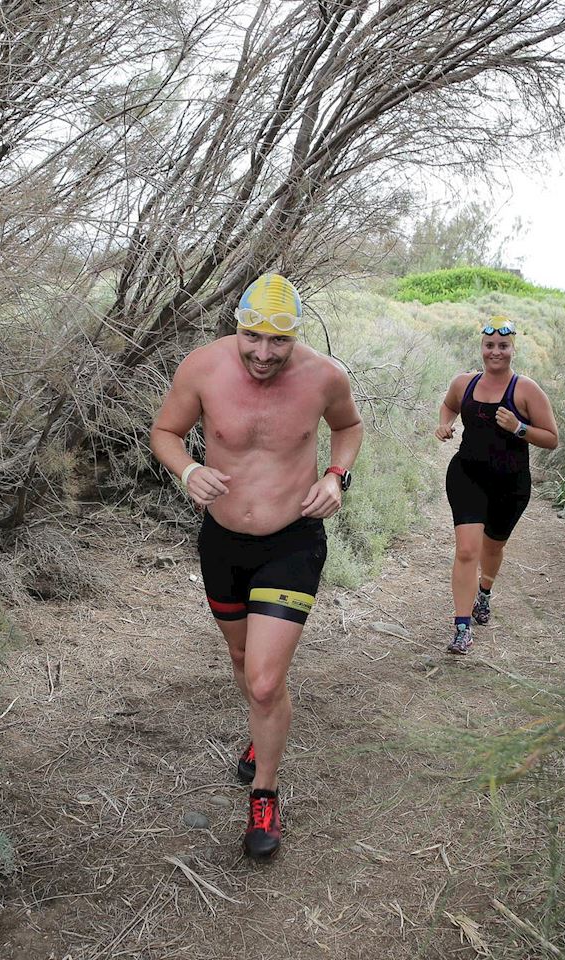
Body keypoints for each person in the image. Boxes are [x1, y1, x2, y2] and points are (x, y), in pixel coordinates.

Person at [149, 272, 363, 859]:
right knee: (244, 660)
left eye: (279, 342)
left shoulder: (324, 377)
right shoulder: (202, 368)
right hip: (223, 543)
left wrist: (335, 476)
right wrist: (188, 470)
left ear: (296, 338)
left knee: (266, 680)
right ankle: (261, 730)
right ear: (236, 326)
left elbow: (348, 427)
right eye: (253, 338)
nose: (263, 354)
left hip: (293, 541)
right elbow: (165, 432)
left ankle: (264, 792)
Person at [434, 316, 558, 654]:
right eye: (490, 346)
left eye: (503, 346)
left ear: (512, 349)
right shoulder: (464, 384)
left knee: (492, 548)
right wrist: (445, 424)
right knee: (467, 550)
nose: (496, 352)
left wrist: (519, 428)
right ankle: (462, 627)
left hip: (511, 483)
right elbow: (448, 406)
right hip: (467, 475)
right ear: (482, 348)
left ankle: (484, 592)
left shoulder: (527, 390)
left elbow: (551, 439)